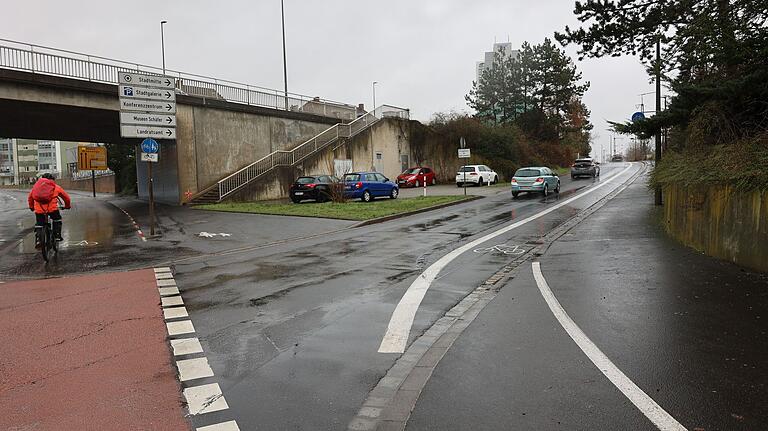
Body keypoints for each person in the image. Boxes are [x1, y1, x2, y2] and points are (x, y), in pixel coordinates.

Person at [28, 173, 71, 246]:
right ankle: (57, 235)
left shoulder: (36, 187)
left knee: (39, 223)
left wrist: (32, 207)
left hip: (39, 210)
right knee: (57, 219)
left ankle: (39, 239)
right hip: (52, 209)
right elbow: (66, 198)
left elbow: (30, 198)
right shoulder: (56, 187)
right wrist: (67, 206)